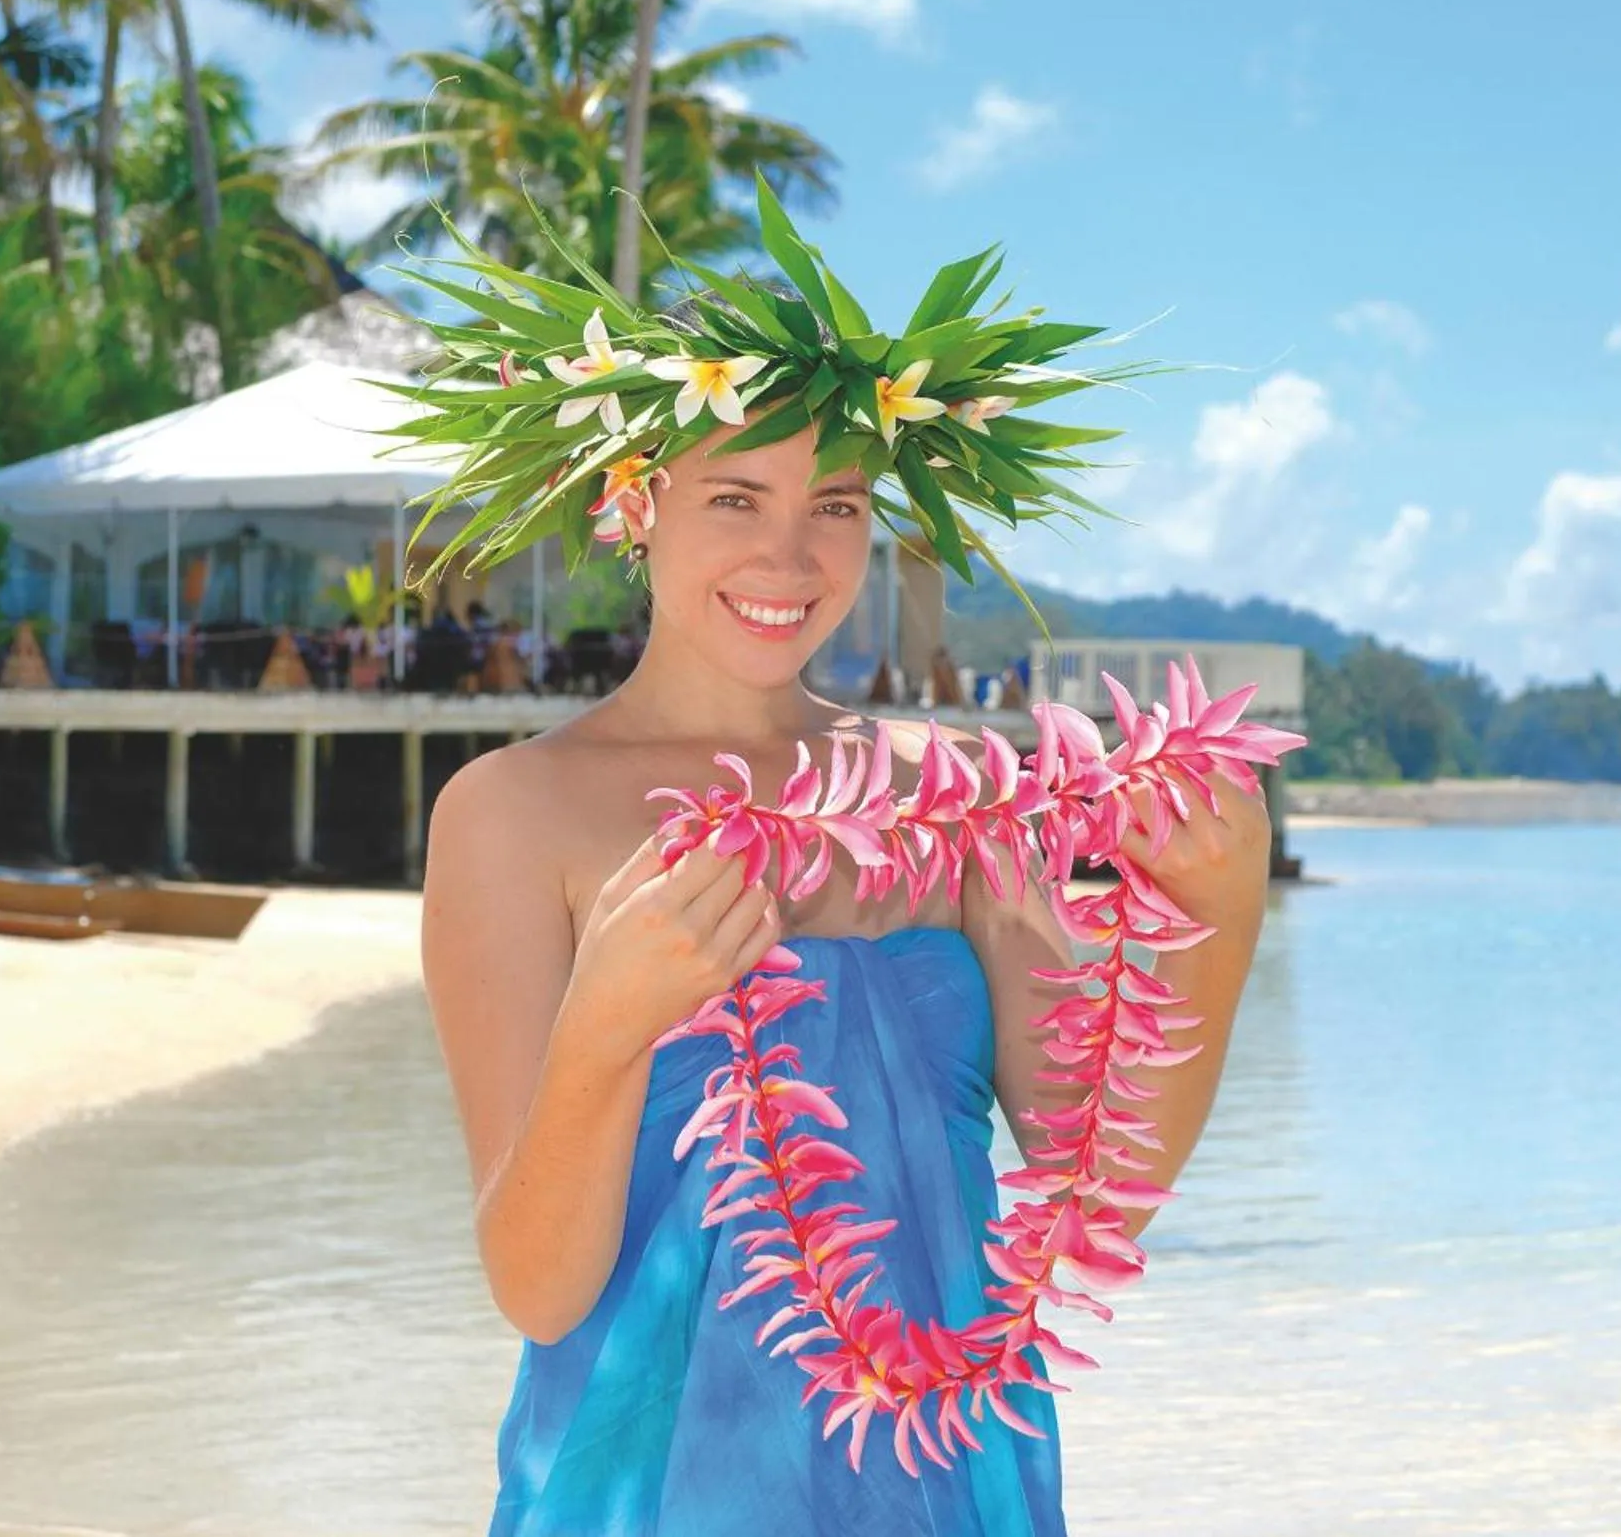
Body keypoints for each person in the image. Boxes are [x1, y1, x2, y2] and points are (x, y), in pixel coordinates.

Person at [403, 181, 1273, 1535]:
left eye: (838, 506)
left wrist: (1222, 918)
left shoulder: (960, 798)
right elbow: (535, 1287)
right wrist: (605, 1033)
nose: (789, 555)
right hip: (649, 1489)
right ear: (637, 503)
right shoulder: (515, 812)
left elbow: (1095, 1185)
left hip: (944, 1475)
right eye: (736, 497)